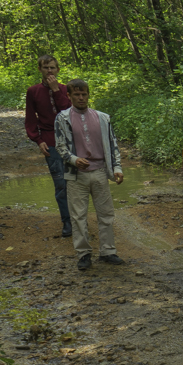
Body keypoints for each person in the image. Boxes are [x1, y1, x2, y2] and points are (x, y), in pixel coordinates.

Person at [54, 79, 125, 271]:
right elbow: (60, 146)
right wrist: (74, 159)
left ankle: (108, 251)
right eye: (76, 94)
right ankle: (83, 254)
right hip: (76, 175)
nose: (81, 98)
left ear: (88, 95)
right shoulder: (63, 118)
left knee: (106, 213)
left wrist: (117, 168)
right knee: (78, 216)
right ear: (68, 96)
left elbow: (112, 145)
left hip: (101, 171)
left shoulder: (102, 118)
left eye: (84, 94)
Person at [24, 54, 73, 237]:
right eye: (46, 68)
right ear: (40, 70)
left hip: (71, 141)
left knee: (77, 182)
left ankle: (79, 218)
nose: (49, 71)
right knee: (60, 183)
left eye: (52, 67)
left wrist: (56, 91)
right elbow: (30, 119)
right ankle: (67, 222)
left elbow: (69, 112)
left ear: (58, 69)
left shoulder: (66, 89)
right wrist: (38, 140)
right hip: (50, 142)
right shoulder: (33, 91)